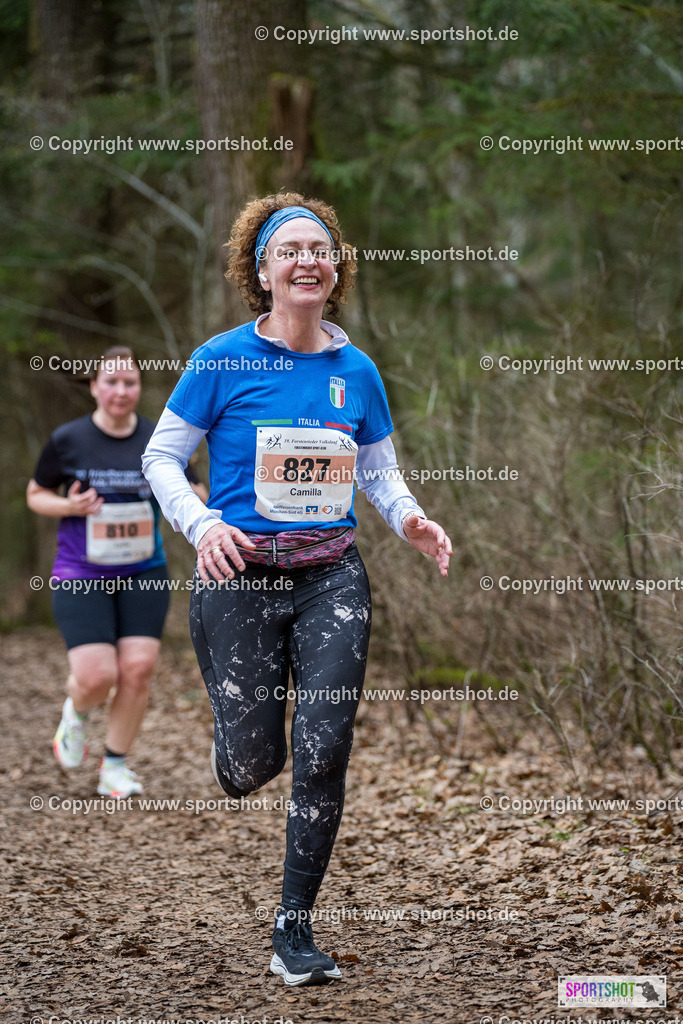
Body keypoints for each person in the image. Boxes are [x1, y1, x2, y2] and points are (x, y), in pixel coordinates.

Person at [142, 193, 452, 986]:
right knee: (254, 765)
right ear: (263, 271)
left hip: (330, 579)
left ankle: (294, 928)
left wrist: (410, 518)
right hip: (238, 577)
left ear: (336, 268)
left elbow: (378, 472)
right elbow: (161, 460)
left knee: (324, 747)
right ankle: (236, 744)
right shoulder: (220, 361)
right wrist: (203, 525)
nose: (309, 259)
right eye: (291, 250)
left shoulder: (356, 371)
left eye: (322, 248)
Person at [27, 347, 207, 798]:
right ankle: (77, 712)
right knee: (95, 676)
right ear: (94, 387)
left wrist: (180, 500)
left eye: (130, 382)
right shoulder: (68, 439)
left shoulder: (160, 436)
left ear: (139, 388)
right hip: (80, 571)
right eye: (111, 381)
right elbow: (35, 494)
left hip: (144, 568)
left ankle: (115, 765)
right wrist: (69, 505)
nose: (121, 391)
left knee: (139, 668)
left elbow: (198, 487)